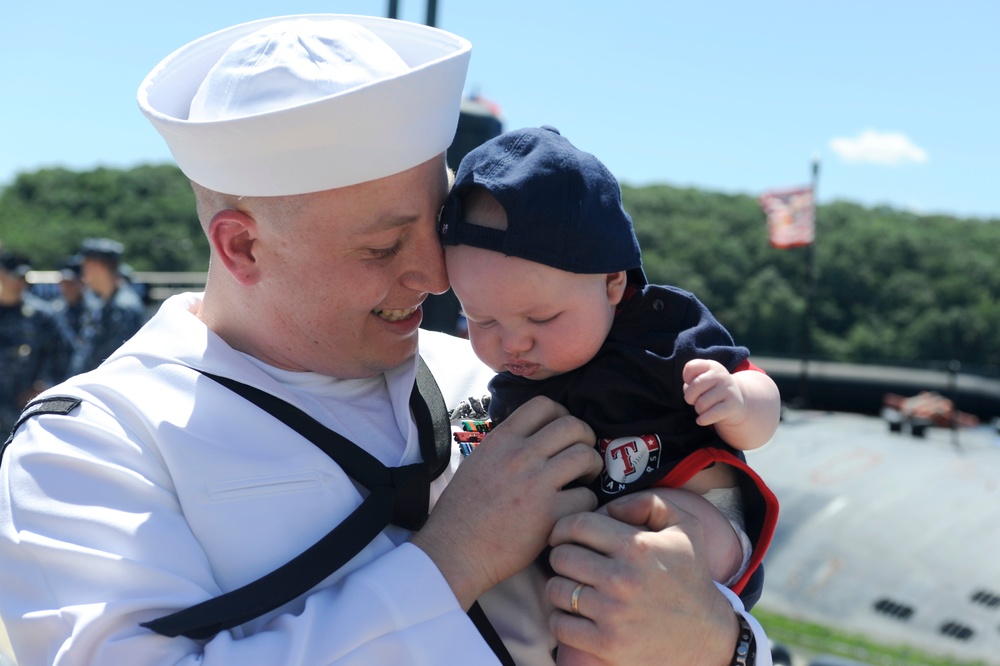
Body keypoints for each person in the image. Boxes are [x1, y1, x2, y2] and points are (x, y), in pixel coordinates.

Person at [0, 15, 770, 666]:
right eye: (380, 248)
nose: (435, 278)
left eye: (437, 230)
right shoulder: (89, 450)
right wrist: (450, 562)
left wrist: (718, 638)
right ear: (241, 247)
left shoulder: (488, 379)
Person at [441, 126, 780, 664]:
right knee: (585, 640)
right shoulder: (514, 384)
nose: (515, 342)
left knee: (627, 584)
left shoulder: (661, 333)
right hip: (591, 539)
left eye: (542, 317)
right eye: (481, 319)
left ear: (612, 284)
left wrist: (737, 401)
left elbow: (764, 407)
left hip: (695, 509)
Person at [0, 251, 63, 437]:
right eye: (14, 276)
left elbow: (64, 356)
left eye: (23, 277)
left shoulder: (42, 316)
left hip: (25, 416)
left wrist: (44, 387)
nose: (20, 282)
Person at [66, 237, 147, 376]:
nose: (83, 276)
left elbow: (116, 364)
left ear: (98, 267)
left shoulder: (124, 308)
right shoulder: (103, 303)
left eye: (85, 268)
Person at [49, 255, 90, 381]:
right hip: (57, 376)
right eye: (63, 283)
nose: (66, 287)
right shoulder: (54, 310)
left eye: (71, 283)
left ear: (80, 283)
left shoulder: (93, 309)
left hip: (85, 374)